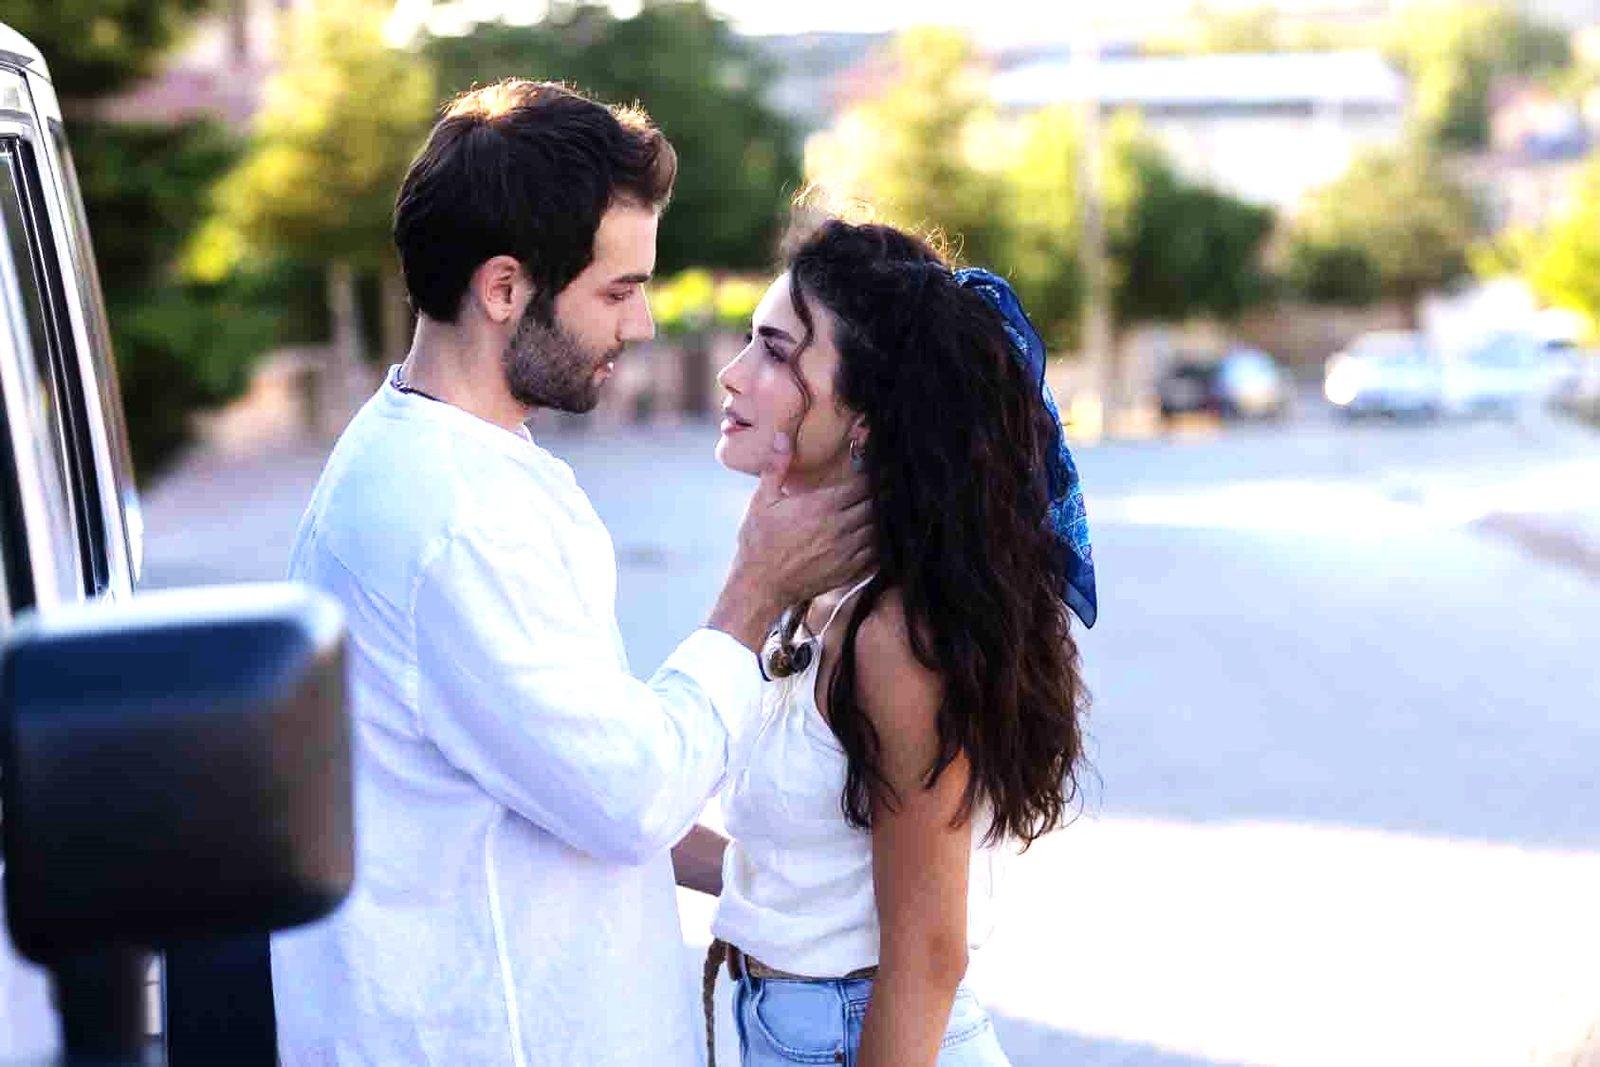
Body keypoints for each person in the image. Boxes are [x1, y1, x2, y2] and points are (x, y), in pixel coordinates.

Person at [270, 80, 872, 1066]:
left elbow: (569, 769)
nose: (641, 327)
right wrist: (757, 588)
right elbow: (627, 791)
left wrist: (781, 889)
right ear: (504, 289)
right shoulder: (449, 518)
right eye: (618, 292)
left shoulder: (458, 465)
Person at [701, 219, 1097, 1066]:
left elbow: (927, 951)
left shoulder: (895, 636)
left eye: (775, 350)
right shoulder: (802, 590)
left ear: (866, 416)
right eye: (749, 340)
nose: (734, 372)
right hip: (784, 1027)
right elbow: (799, 867)